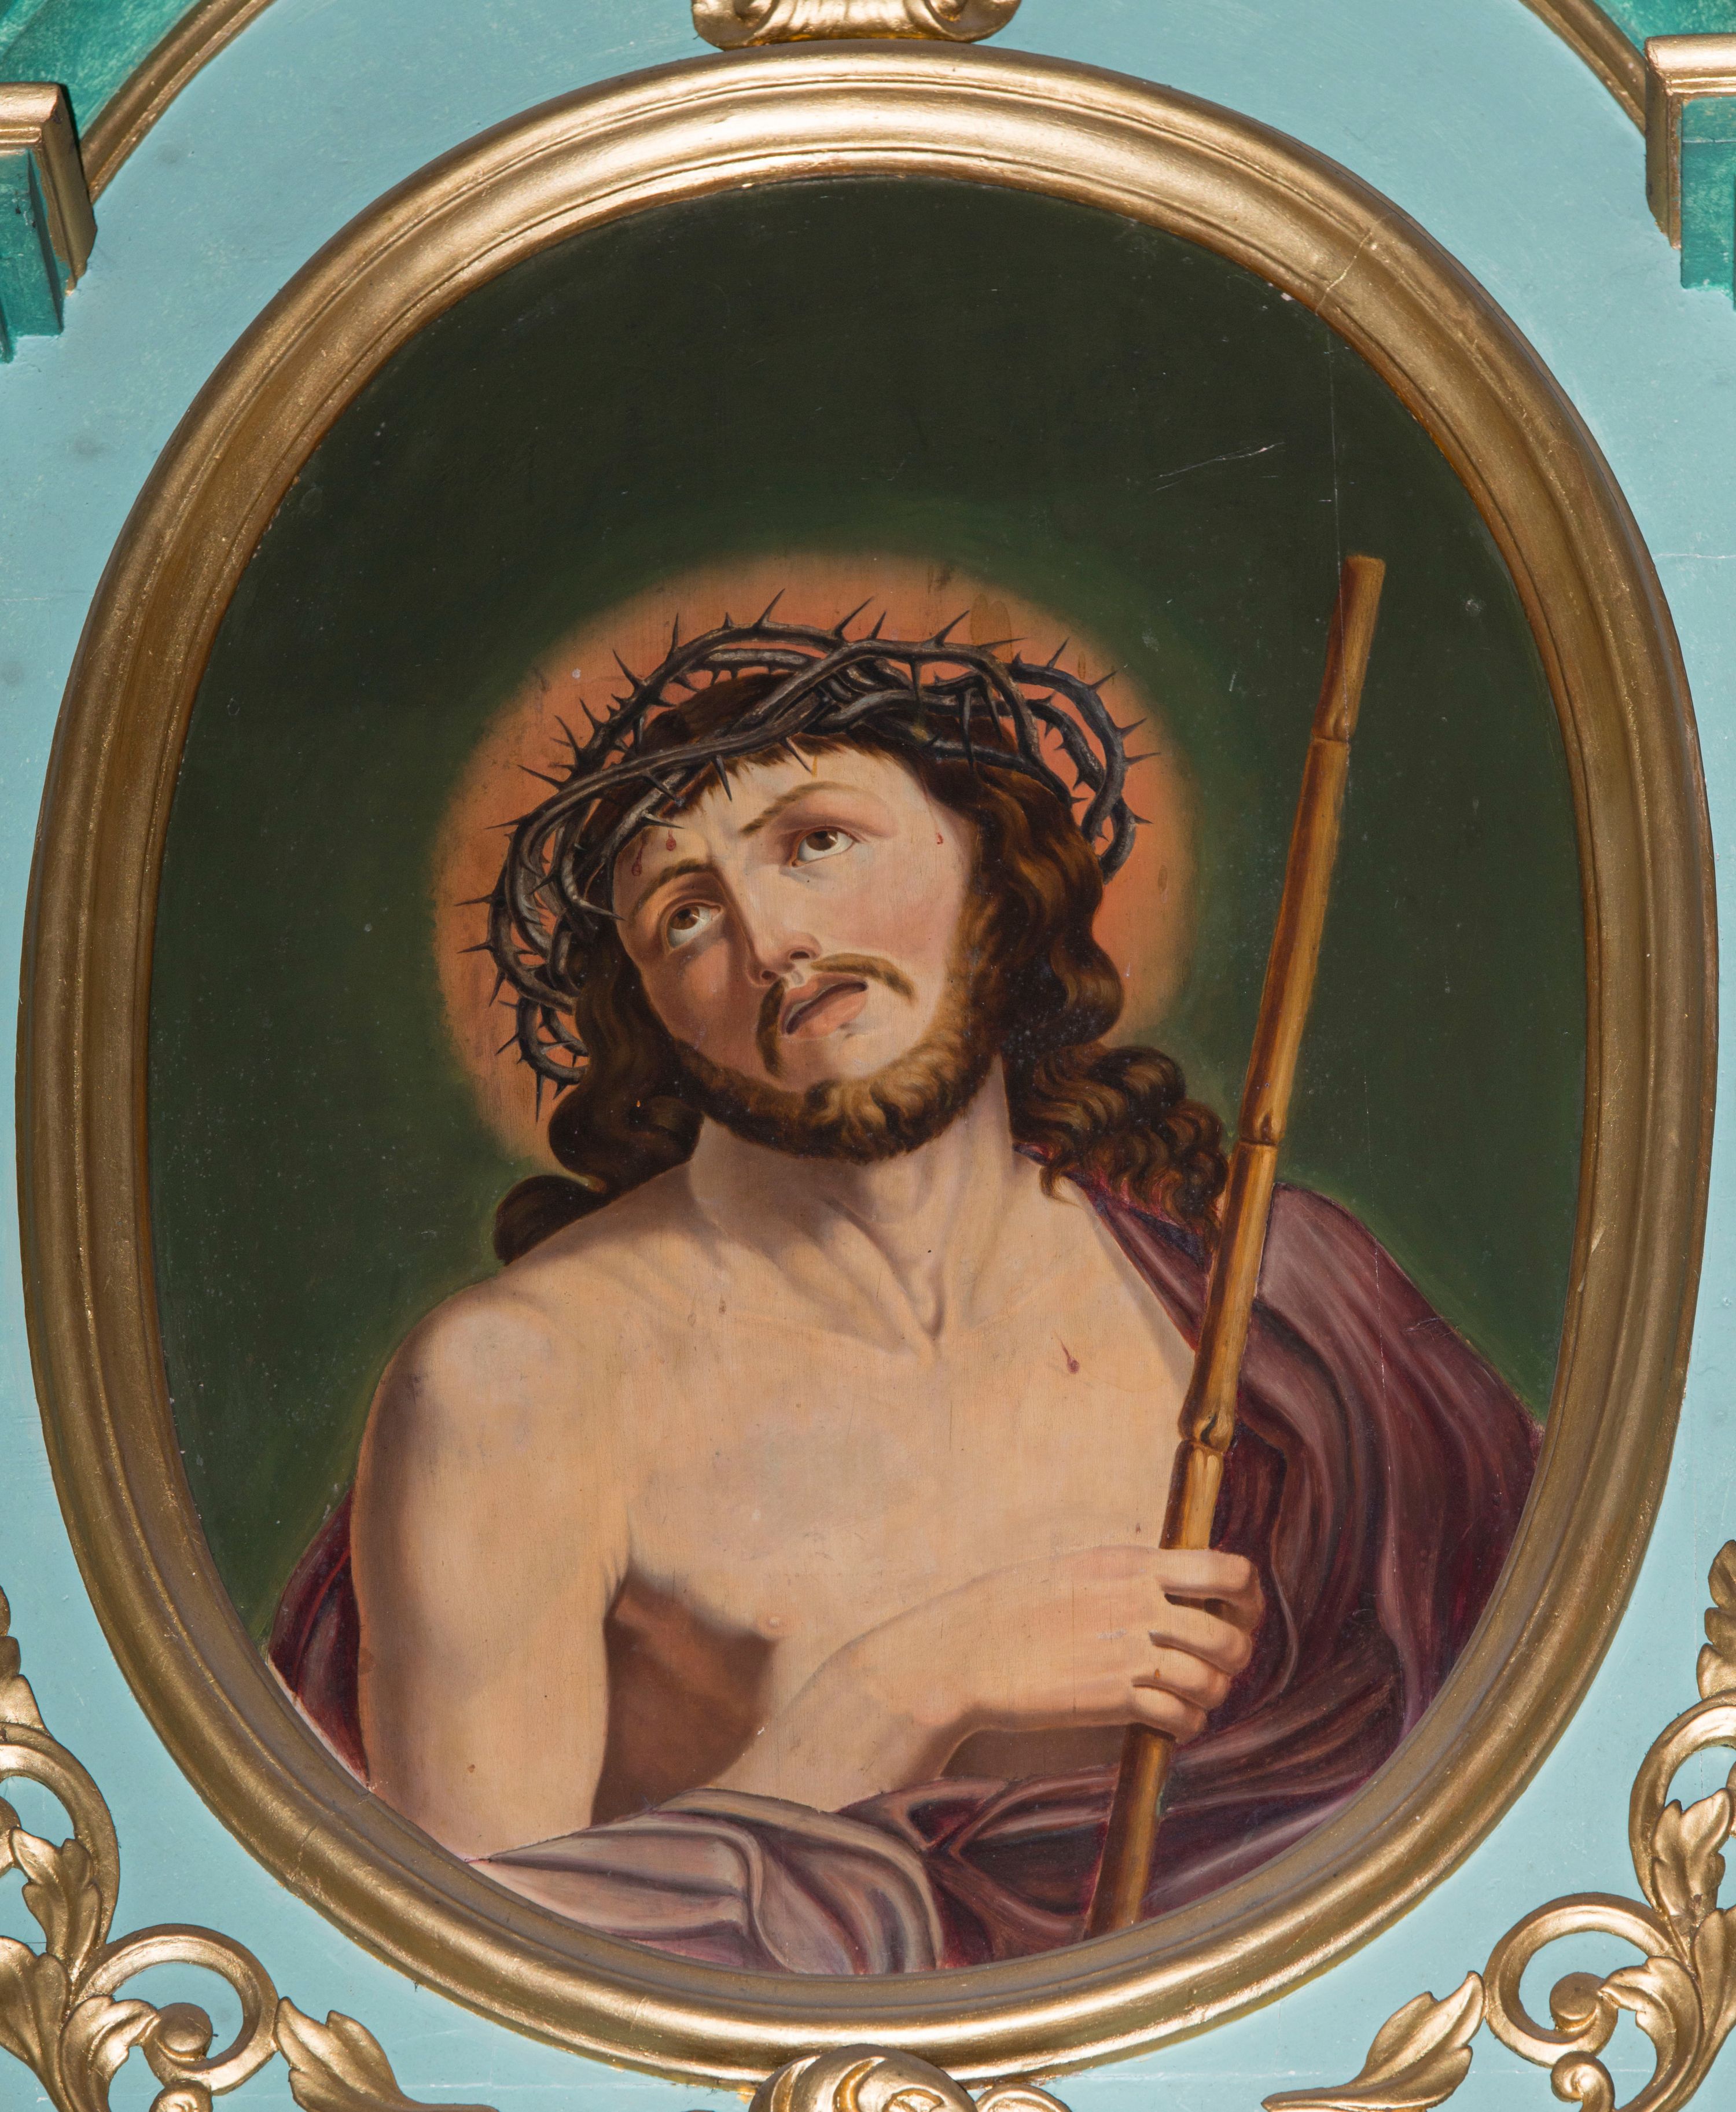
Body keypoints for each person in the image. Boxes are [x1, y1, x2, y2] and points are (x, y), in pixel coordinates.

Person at [271, 613, 1539, 1973]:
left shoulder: (1273, 1302)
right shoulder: (514, 1382)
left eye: (817, 840)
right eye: (685, 914)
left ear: (985, 858)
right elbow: (473, 1980)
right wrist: (903, 1688)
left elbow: (1503, 1784)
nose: (773, 940)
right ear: (652, 1012)